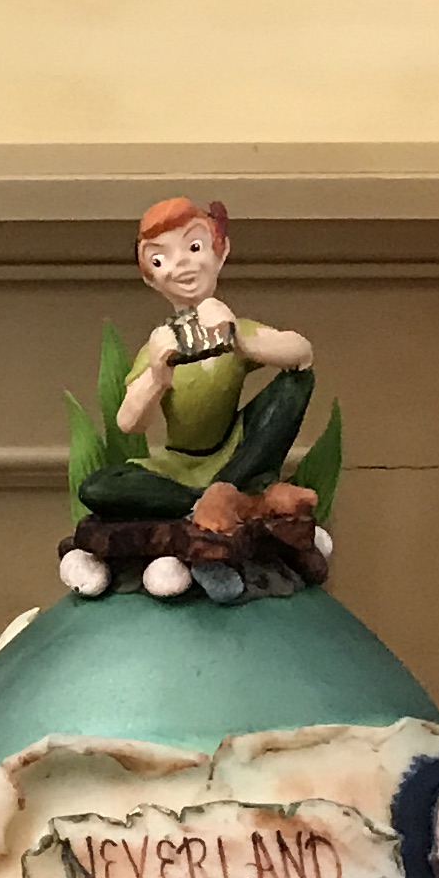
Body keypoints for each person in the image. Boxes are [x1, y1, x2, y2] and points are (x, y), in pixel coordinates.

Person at [65, 197, 325, 604]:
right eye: (160, 259)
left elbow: (301, 353)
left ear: (221, 252)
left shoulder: (234, 328)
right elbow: (129, 422)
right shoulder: (160, 344)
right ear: (151, 278)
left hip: (236, 453)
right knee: (98, 487)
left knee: (296, 383)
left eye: (194, 247)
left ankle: (229, 488)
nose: (182, 265)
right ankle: (204, 501)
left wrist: (237, 340)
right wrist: (157, 375)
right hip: (178, 467)